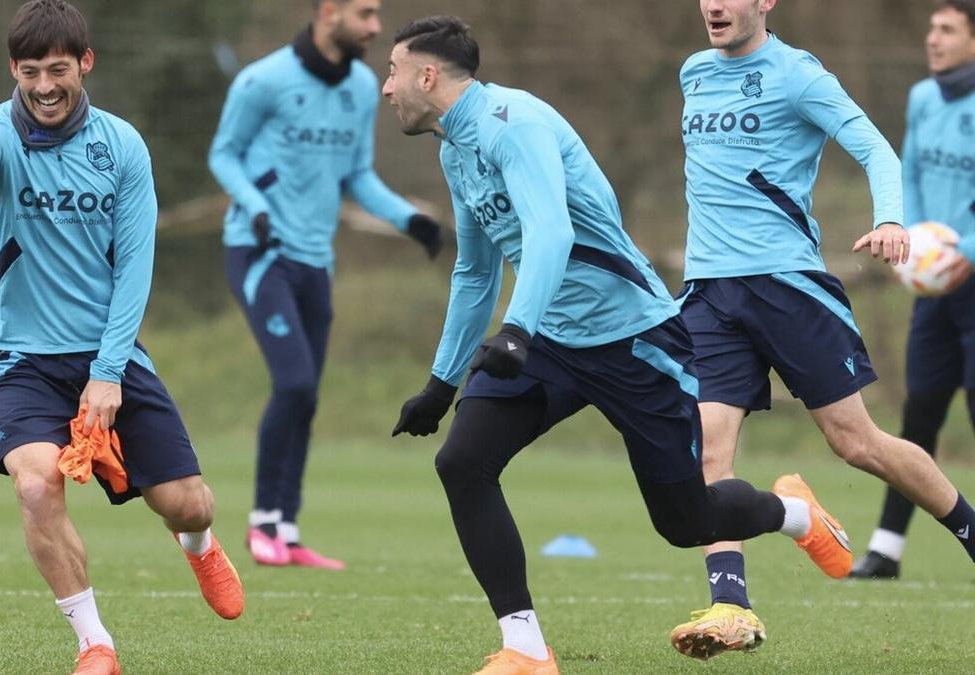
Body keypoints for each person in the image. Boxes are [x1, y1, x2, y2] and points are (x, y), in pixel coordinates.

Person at [383, 16, 849, 672]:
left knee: (686, 522)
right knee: (463, 462)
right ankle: (525, 649)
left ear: (426, 75)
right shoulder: (454, 146)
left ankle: (795, 513)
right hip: (548, 340)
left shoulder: (512, 124)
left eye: (393, 71)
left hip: (634, 339)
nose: (386, 88)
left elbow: (552, 234)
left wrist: (514, 330)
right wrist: (442, 381)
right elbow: (475, 270)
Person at [670, 0, 975, 658]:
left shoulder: (799, 74)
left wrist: (892, 219)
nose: (715, 5)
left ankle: (971, 529)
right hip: (710, 292)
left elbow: (875, 149)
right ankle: (733, 607)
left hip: (787, 287)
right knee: (707, 454)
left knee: (857, 443)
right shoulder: (693, 71)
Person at [0, 2, 243, 672]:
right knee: (34, 483)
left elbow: (135, 265)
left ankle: (198, 545)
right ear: (13, 70)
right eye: (30, 72)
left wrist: (108, 372)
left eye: (58, 69)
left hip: (110, 352)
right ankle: (94, 641)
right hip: (21, 357)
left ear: (85, 62)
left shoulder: (122, 146)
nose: (45, 85)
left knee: (186, 501)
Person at [208, 0, 444, 570]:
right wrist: (257, 206)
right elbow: (224, 155)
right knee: (292, 384)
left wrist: (408, 217)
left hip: (316, 261)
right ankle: (262, 523)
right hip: (260, 252)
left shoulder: (362, 87)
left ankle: (286, 531)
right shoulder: (261, 81)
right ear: (328, 11)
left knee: (307, 395)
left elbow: (357, 174)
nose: (374, 26)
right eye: (364, 13)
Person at [851, 0, 975, 580]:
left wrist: (962, 251)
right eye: (931, 27)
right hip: (935, 286)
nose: (933, 38)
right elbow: (912, 175)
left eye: (947, 28)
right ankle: (886, 549)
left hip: (970, 276)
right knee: (917, 413)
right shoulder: (924, 98)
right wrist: (918, 242)